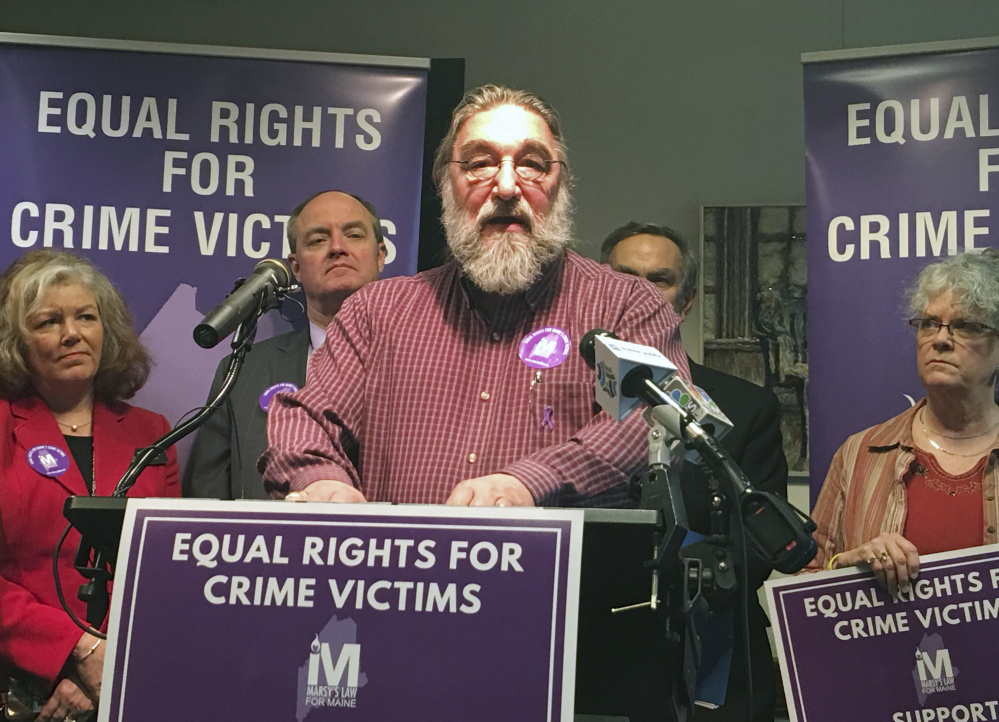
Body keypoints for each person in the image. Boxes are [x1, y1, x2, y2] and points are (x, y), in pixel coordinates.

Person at [259, 85, 689, 506]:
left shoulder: (627, 305)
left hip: (563, 575)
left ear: (563, 185)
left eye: (532, 164)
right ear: (446, 183)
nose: (505, 187)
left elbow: (653, 417)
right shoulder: (377, 312)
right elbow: (307, 419)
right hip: (407, 575)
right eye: (480, 163)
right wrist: (321, 482)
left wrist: (530, 482)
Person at [601, 222, 787, 722]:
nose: (639, 290)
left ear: (684, 302)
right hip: (594, 645)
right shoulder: (558, 404)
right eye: (623, 276)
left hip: (714, 659)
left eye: (658, 279)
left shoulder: (747, 408)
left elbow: (759, 543)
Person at [0, 250, 180, 722]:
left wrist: (112, 661)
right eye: (48, 322)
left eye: (86, 317)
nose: (72, 334)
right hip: (22, 686)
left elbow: (169, 567)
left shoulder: (152, 431)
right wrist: (76, 652)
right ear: (18, 342)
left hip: (130, 679)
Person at [808, 248, 999, 598]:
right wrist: (848, 565)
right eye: (929, 323)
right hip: (885, 653)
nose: (940, 339)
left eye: (966, 326)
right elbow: (808, 583)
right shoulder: (860, 453)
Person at [184, 190, 386, 499]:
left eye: (354, 235)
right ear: (295, 267)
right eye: (318, 240)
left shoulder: (427, 360)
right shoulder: (243, 370)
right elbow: (208, 496)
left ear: (380, 255)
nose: (336, 248)